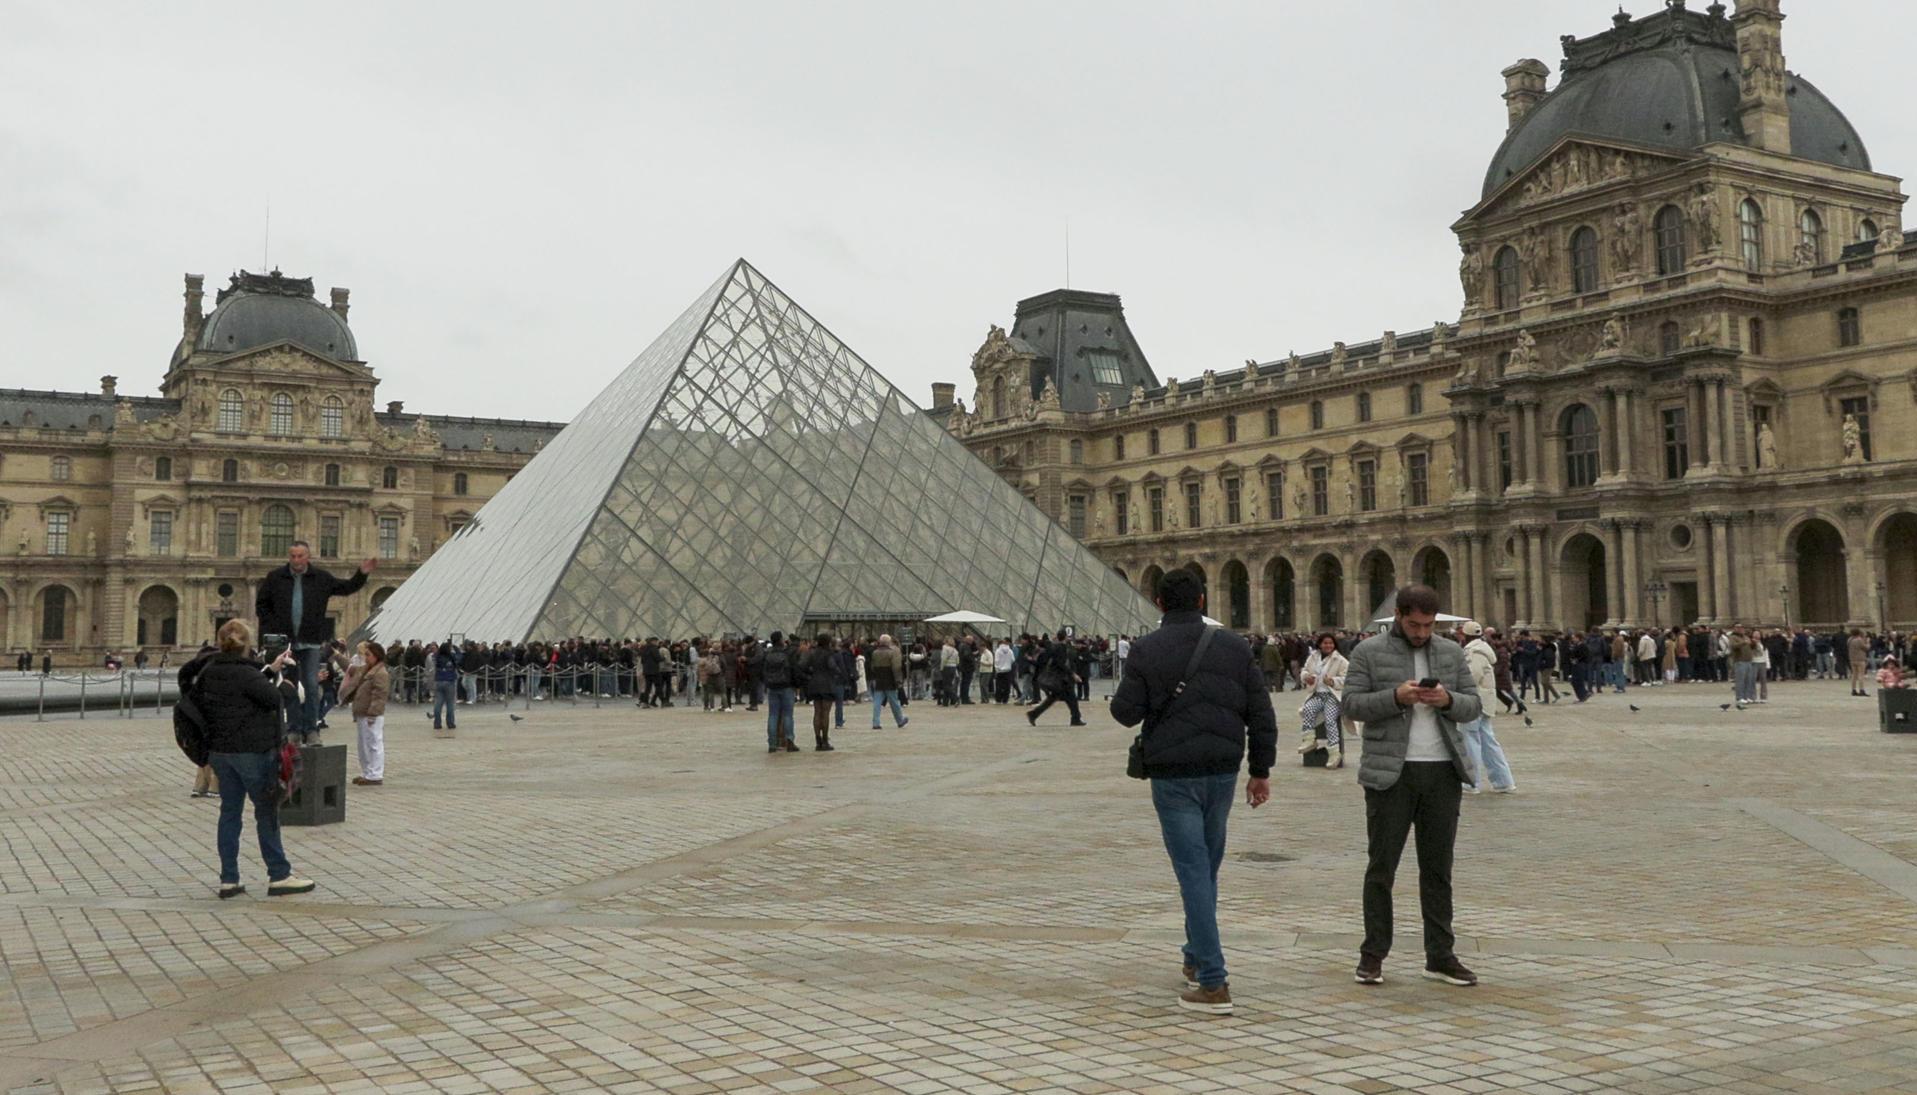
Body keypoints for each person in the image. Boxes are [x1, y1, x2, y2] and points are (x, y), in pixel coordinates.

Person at [1111, 568, 1276, 1017]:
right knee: (1205, 868)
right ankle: (1194, 952)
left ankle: (1214, 981)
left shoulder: (1146, 649)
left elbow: (1124, 713)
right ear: (1203, 601)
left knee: (1193, 871)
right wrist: (1260, 770)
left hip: (1173, 776)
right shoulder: (1234, 645)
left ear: (1159, 604)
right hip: (1223, 772)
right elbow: (1261, 714)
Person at [1342, 584, 1483, 988]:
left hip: (1442, 771)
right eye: (1413, 624)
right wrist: (1395, 697)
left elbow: (1473, 705)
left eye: (1427, 625)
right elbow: (1350, 704)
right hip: (1391, 774)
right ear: (1399, 617)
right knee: (1381, 869)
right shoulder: (1368, 652)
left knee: (1438, 870)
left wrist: (1448, 700)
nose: (1421, 632)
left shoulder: (1452, 652)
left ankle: (1440, 955)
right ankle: (1372, 956)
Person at [189, 619, 317, 899]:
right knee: (266, 812)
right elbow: (273, 699)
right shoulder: (246, 675)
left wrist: (270, 670)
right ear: (247, 644)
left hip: (221, 754)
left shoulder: (211, 671)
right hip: (251, 751)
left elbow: (242, 692)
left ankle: (229, 879)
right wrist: (289, 682)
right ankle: (279, 875)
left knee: (230, 813)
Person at [255, 542, 374, 743]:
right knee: (290, 687)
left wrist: (361, 573)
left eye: (300, 556)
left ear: (307, 557)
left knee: (311, 686)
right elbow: (261, 605)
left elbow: (346, 588)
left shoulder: (321, 578)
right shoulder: (275, 577)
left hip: (310, 642)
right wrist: (272, 628)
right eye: (293, 556)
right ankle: (293, 729)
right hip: (287, 644)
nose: (296, 560)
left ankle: (311, 730)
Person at [1457, 621, 1517, 794]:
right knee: (1488, 741)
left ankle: (1471, 781)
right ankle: (1503, 781)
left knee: (1470, 740)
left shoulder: (1473, 651)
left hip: (1474, 700)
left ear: (1465, 635)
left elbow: (1472, 676)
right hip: (1485, 700)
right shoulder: (1483, 648)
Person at [338, 641, 390, 786]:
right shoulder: (366, 669)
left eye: (368, 655)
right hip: (362, 712)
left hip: (371, 714)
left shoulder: (380, 673)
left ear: (376, 656)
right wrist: (336, 655)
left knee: (373, 743)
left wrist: (373, 713)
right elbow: (349, 668)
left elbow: (379, 696)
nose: (366, 658)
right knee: (363, 745)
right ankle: (367, 772)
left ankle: (375, 774)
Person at [1297, 633, 1347, 765]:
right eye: (1325, 643)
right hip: (1317, 694)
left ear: (1334, 645)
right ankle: (1309, 739)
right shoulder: (1313, 657)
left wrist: (1332, 681)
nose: (1328, 646)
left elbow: (1347, 678)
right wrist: (1306, 677)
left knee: (1330, 720)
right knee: (1307, 709)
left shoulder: (1340, 660)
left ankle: (1334, 753)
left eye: (1330, 643)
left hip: (1332, 696)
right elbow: (1304, 670)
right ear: (1320, 644)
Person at [1026, 631, 1085, 726]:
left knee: (1054, 699)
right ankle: (1075, 718)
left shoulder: (1054, 647)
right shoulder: (1061, 648)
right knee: (1071, 699)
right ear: (1065, 637)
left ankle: (1034, 714)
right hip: (1061, 679)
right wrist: (1073, 674)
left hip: (1057, 678)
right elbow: (1060, 663)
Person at [755, 632, 800, 753]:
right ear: (781, 640)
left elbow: (761, 671)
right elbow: (793, 670)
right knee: (788, 715)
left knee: (773, 715)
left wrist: (766, 682)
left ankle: (772, 743)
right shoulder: (787, 654)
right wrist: (796, 684)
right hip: (786, 686)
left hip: (772, 687)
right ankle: (789, 741)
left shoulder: (767, 654)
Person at [804, 633, 839, 752]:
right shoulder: (829, 654)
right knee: (826, 713)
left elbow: (802, 665)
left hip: (814, 684)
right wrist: (837, 673)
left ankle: (817, 740)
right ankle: (825, 740)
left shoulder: (811, 653)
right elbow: (832, 667)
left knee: (817, 712)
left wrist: (810, 675)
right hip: (827, 685)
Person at [867, 634, 909, 729]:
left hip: (879, 678)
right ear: (888, 642)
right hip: (890, 678)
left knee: (877, 702)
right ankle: (900, 720)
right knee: (894, 701)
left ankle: (876, 722)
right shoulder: (892, 653)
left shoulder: (875, 653)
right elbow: (896, 667)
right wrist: (898, 680)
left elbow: (872, 667)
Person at [428, 641, 459, 733]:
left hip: (439, 681)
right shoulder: (451, 657)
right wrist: (455, 648)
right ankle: (450, 723)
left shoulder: (437, 657)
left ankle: (437, 723)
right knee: (450, 703)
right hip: (449, 681)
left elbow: (434, 655)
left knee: (438, 703)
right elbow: (460, 657)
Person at [1848, 629, 1871, 696]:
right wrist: (1868, 642)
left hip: (1852, 659)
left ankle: (1853, 689)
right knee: (1861, 675)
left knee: (1854, 675)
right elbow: (1866, 648)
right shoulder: (1859, 640)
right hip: (1860, 659)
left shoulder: (1849, 640)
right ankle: (1861, 690)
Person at [993, 637, 1015, 703]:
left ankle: (998, 699)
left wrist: (997, 668)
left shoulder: (998, 650)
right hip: (1008, 670)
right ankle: (1005, 699)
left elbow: (996, 660)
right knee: (1007, 686)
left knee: (998, 685)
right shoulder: (1010, 651)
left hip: (999, 671)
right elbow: (1013, 660)